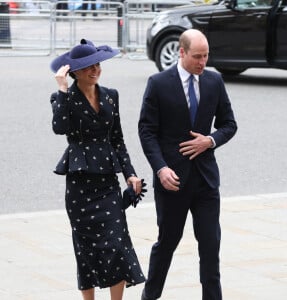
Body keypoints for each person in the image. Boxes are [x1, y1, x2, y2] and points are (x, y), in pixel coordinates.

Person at [138, 29, 238, 300]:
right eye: (197, 56)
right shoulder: (158, 83)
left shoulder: (214, 82)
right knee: (167, 243)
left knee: (210, 246)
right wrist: (160, 169)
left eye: (206, 56)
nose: (202, 62)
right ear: (181, 53)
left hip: (205, 182)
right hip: (172, 181)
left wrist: (211, 141)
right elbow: (147, 131)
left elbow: (229, 124)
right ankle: (150, 295)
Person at [50, 39, 145, 300]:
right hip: (80, 186)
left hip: (107, 183)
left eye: (97, 65)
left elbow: (118, 140)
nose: (95, 70)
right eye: (88, 66)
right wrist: (62, 89)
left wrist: (130, 174)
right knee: (86, 250)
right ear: (75, 71)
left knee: (118, 246)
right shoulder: (64, 96)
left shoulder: (111, 95)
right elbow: (59, 127)